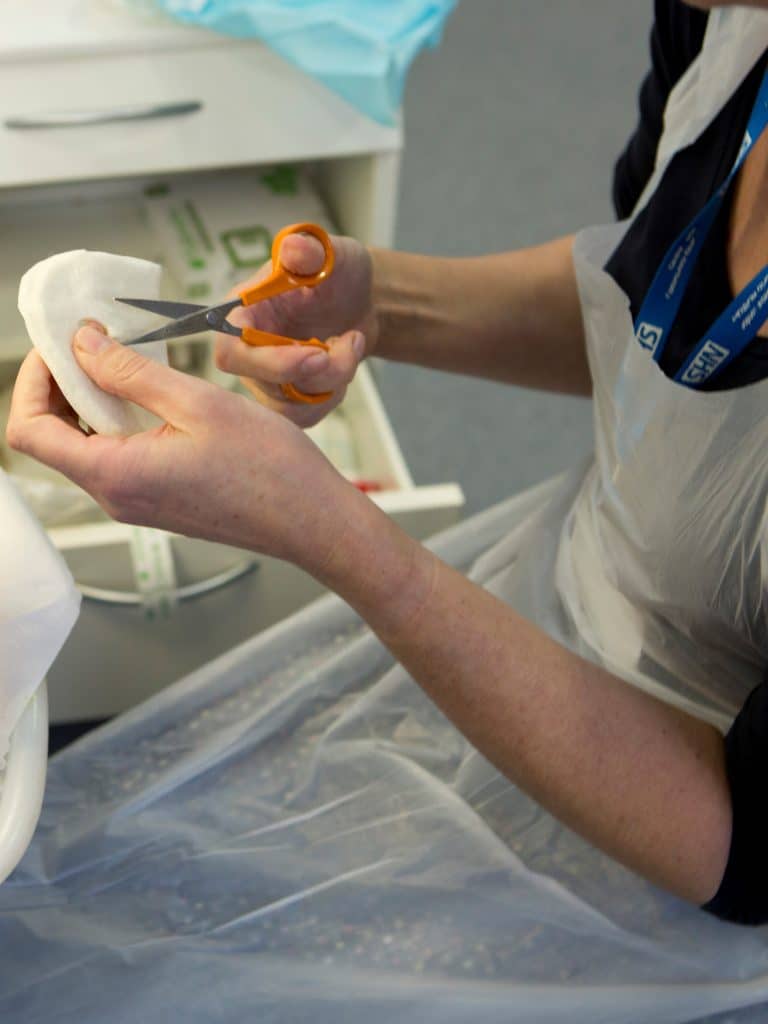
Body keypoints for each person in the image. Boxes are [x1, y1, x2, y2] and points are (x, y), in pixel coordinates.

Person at [6, 0, 768, 927]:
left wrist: (327, 530)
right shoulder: (725, 22)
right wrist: (382, 301)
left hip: (655, 857)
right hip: (542, 601)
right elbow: (649, 322)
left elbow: (740, 851)